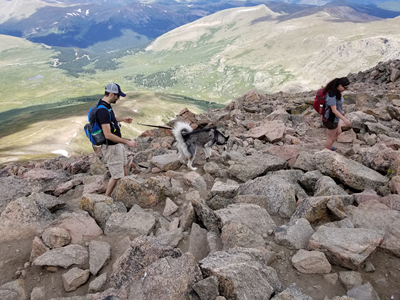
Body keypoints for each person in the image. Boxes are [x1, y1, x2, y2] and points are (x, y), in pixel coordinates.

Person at [97, 83, 137, 196]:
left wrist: (123, 119)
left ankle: (126, 190)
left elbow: (111, 120)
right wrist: (127, 142)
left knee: (124, 165)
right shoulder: (102, 110)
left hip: (117, 145)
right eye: (117, 96)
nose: (118, 98)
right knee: (116, 175)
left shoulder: (106, 106)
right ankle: (106, 198)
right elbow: (107, 134)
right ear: (111, 94)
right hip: (111, 147)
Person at [322, 77, 352, 151]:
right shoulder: (331, 94)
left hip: (335, 118)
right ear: (340, 85)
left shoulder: (337, 92)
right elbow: (334, 110)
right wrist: (345, 120)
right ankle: (326, 151)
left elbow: (337, 106)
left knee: (338, 132)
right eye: (345, 88)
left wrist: (341, 111)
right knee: (330, 138)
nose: (345, 90)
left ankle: (330, 147)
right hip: (330, 119)